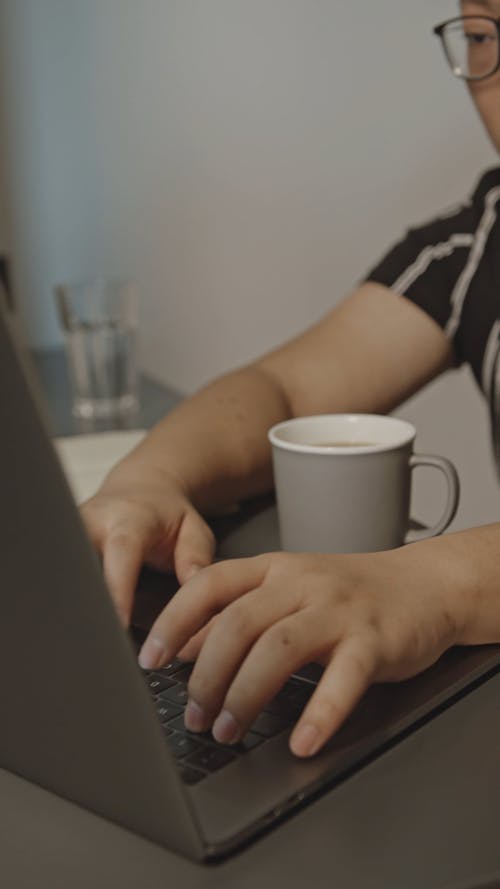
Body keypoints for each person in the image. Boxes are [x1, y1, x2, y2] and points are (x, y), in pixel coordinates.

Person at [82, 5, 500, 759]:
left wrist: (443, 583)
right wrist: (147, 478)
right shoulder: (476, 245)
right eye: (481, 38)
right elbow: (282, 389)